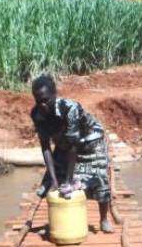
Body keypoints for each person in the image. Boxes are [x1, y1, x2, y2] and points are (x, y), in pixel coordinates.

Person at [30, 74, 114, 234]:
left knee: (99, 178)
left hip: (90, 143)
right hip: (64, 143)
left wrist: (68, 181)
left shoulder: (70, 108)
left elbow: (73, 146)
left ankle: (104, 219)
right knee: (51, 184)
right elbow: (45, 147)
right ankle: (60, 222)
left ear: (55, 94)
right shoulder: (37, 114)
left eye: (46, 100)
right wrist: (54, 180)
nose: (42, 105)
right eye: (38, 101)